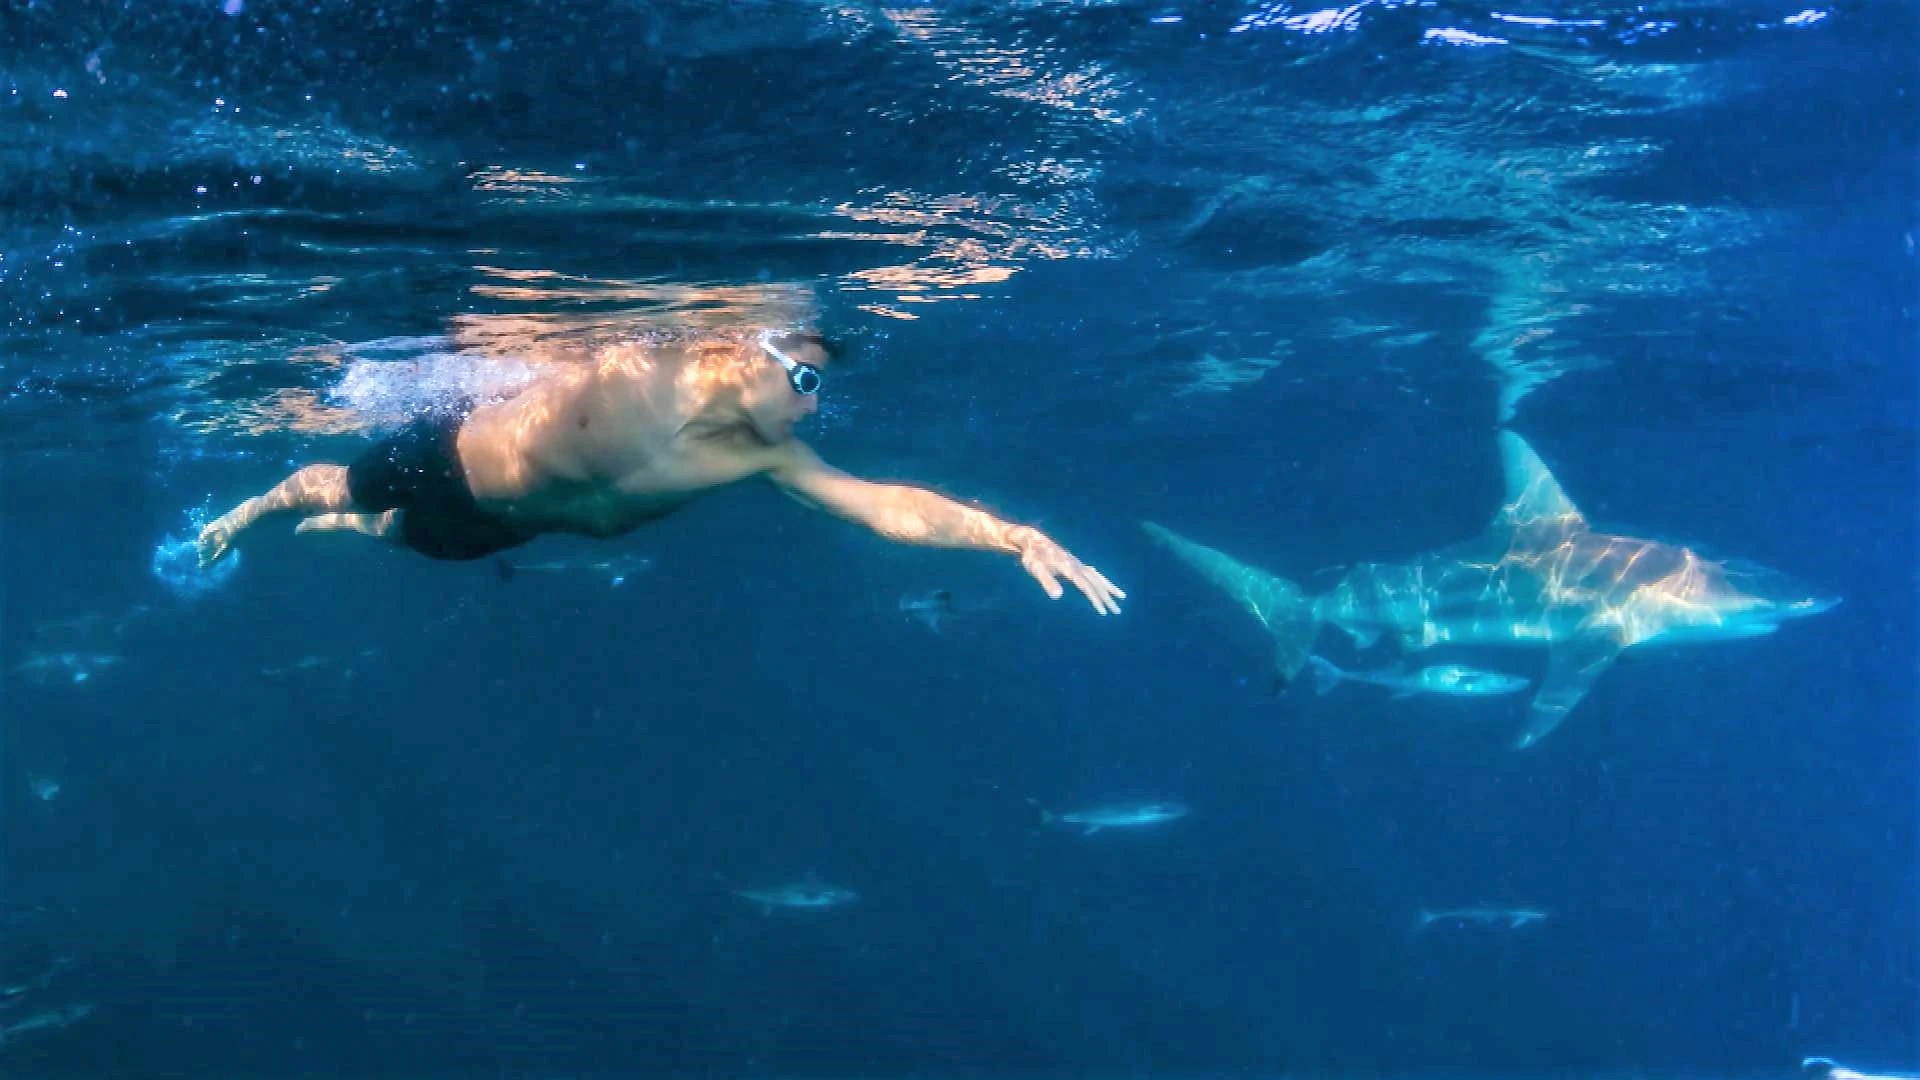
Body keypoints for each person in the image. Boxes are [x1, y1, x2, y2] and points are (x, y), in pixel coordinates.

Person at [196, 329, 1125, 615]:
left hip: (500, 528)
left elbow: (884, 506)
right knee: (339, 490)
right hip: (447, 454)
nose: (811, 404)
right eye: (803, 380)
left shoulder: (768, 452)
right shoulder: (650, 361)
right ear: (748, 355)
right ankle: (257, 511)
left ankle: (350, 530)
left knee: (404, 538)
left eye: (817, 390)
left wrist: (1009, 537)